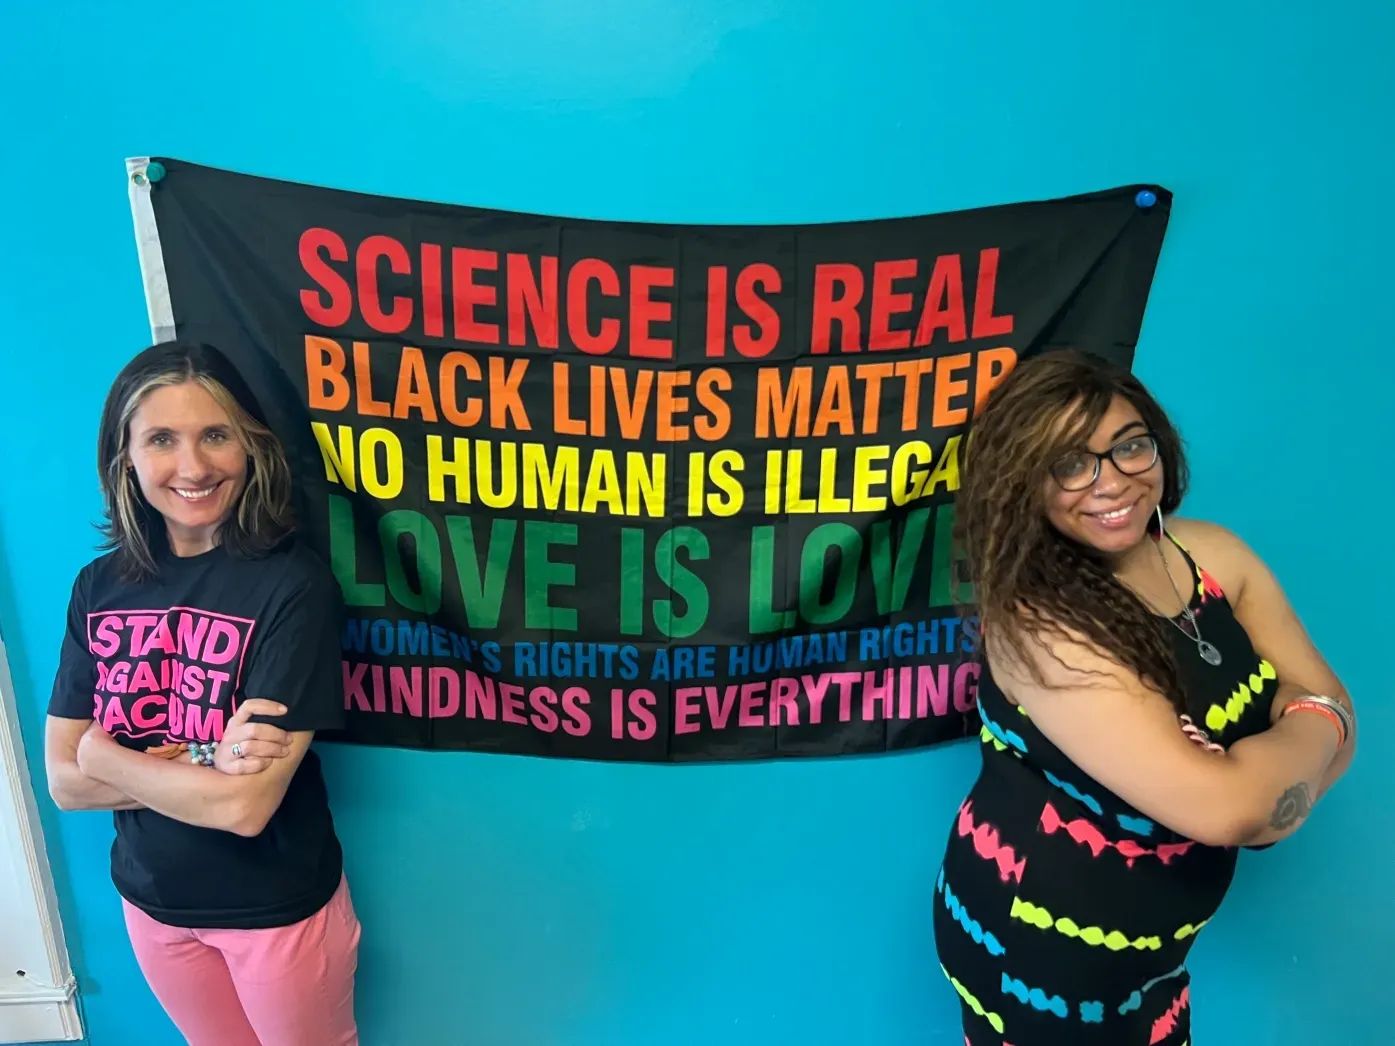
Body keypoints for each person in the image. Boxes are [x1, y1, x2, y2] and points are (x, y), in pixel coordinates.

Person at [932, 350, 1355, 1045]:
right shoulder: (1041, 627)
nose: (1112, 481)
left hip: (1154, 950)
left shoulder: (1211, 556)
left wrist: (1276, 766)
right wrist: (1302, 739)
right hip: (1045, 950)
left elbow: (1328, 713)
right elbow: (1232, 808)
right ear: (1023, 481)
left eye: (1130, 446)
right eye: (1071, 463)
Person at [45, 341, 360, 1045]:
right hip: (153, 905)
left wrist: (107, 755)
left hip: (275, 911)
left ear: (251, 447)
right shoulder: (98, 588)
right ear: (125, 456)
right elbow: (64, 784)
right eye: (162, 439)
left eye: (215, 435)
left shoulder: (293, 587)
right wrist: (206, 760)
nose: (192, 467)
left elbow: (244, 808)